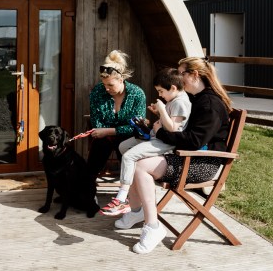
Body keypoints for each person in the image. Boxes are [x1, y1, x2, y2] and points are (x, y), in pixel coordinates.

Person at [114, 56, 232, 254]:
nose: (178, 77)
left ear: (194, 75)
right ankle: (137, 212)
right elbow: (181, 130)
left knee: (141, 165)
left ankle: (152, 227)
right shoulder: (196, 99)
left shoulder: (210, 104)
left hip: (203, 164)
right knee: (135, 157)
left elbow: (194, 141)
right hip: (187, 155)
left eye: (182, 73)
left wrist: (160, 132)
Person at [99, 67, 191, 216]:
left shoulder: (181, 102)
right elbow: (168, 120)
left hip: (165, 143)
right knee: (124, 147)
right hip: (156, 136)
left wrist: (161, 110)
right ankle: (134, 179)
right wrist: (159, 112)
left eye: (161, 91)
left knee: (129, 156)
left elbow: (173, 129)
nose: (160, 95)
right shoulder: (173, 99)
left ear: (173, 88)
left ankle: (122, 197)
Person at [86, 50, 146, 184]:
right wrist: (106, 132)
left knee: (126, 149)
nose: (106, 89)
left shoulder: (137, 94)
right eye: (104, 84)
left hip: (128, 137)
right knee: (96, 156)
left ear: (121, 79)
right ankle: (87, 190)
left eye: (110, 85)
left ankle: (129, 192)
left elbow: (137, 127)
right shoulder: (98, 91)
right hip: (104, 136)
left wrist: (109, 131)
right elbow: (97, 122)